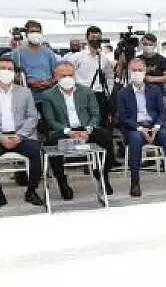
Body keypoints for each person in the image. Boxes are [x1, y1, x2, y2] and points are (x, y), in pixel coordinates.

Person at [0, 57, 45, 211]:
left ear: (15, 73)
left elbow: (33, 117)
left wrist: (20, 136)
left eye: (10, 68)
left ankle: (31, 191)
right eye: (2, 68)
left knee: (36, 152)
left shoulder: (25, 92)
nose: (6, 71)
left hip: (21, 135)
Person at [43, 61, 117, 196]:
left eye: (70, 75)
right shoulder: (48, 95)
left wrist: (88, 130)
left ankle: (102, 175)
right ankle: (62, 183)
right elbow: (50, 120)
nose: (67, 78)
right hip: (64, 130)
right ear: (56, 77)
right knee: (50, 142)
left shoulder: (86, 91)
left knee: (105, 136)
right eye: (63, 75)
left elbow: (95, 114)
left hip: (85, 128)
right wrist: (68, 132)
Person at [117, 58, 166, 196]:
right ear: (129, 72)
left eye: (139, 70)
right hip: (135, 128)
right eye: (134, 70)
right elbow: (123, 118)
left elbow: (162, 113)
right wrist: (140, 129)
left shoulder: (154, 90)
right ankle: (135, 181)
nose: (137, 73)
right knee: (135, 139)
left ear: (145, 71)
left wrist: (157, 127)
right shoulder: (123, 93)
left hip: (154, 126)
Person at [67, 26, 115, 127]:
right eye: (93, 37)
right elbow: (68, 73)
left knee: (99, 122)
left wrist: (108, 91)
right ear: (87, 38)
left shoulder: (103, 59)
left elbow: (110, 76)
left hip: (99, 94)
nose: (95, 40)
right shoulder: (77, 57)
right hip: (81, 94)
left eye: (98, 38)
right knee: (82, 121)